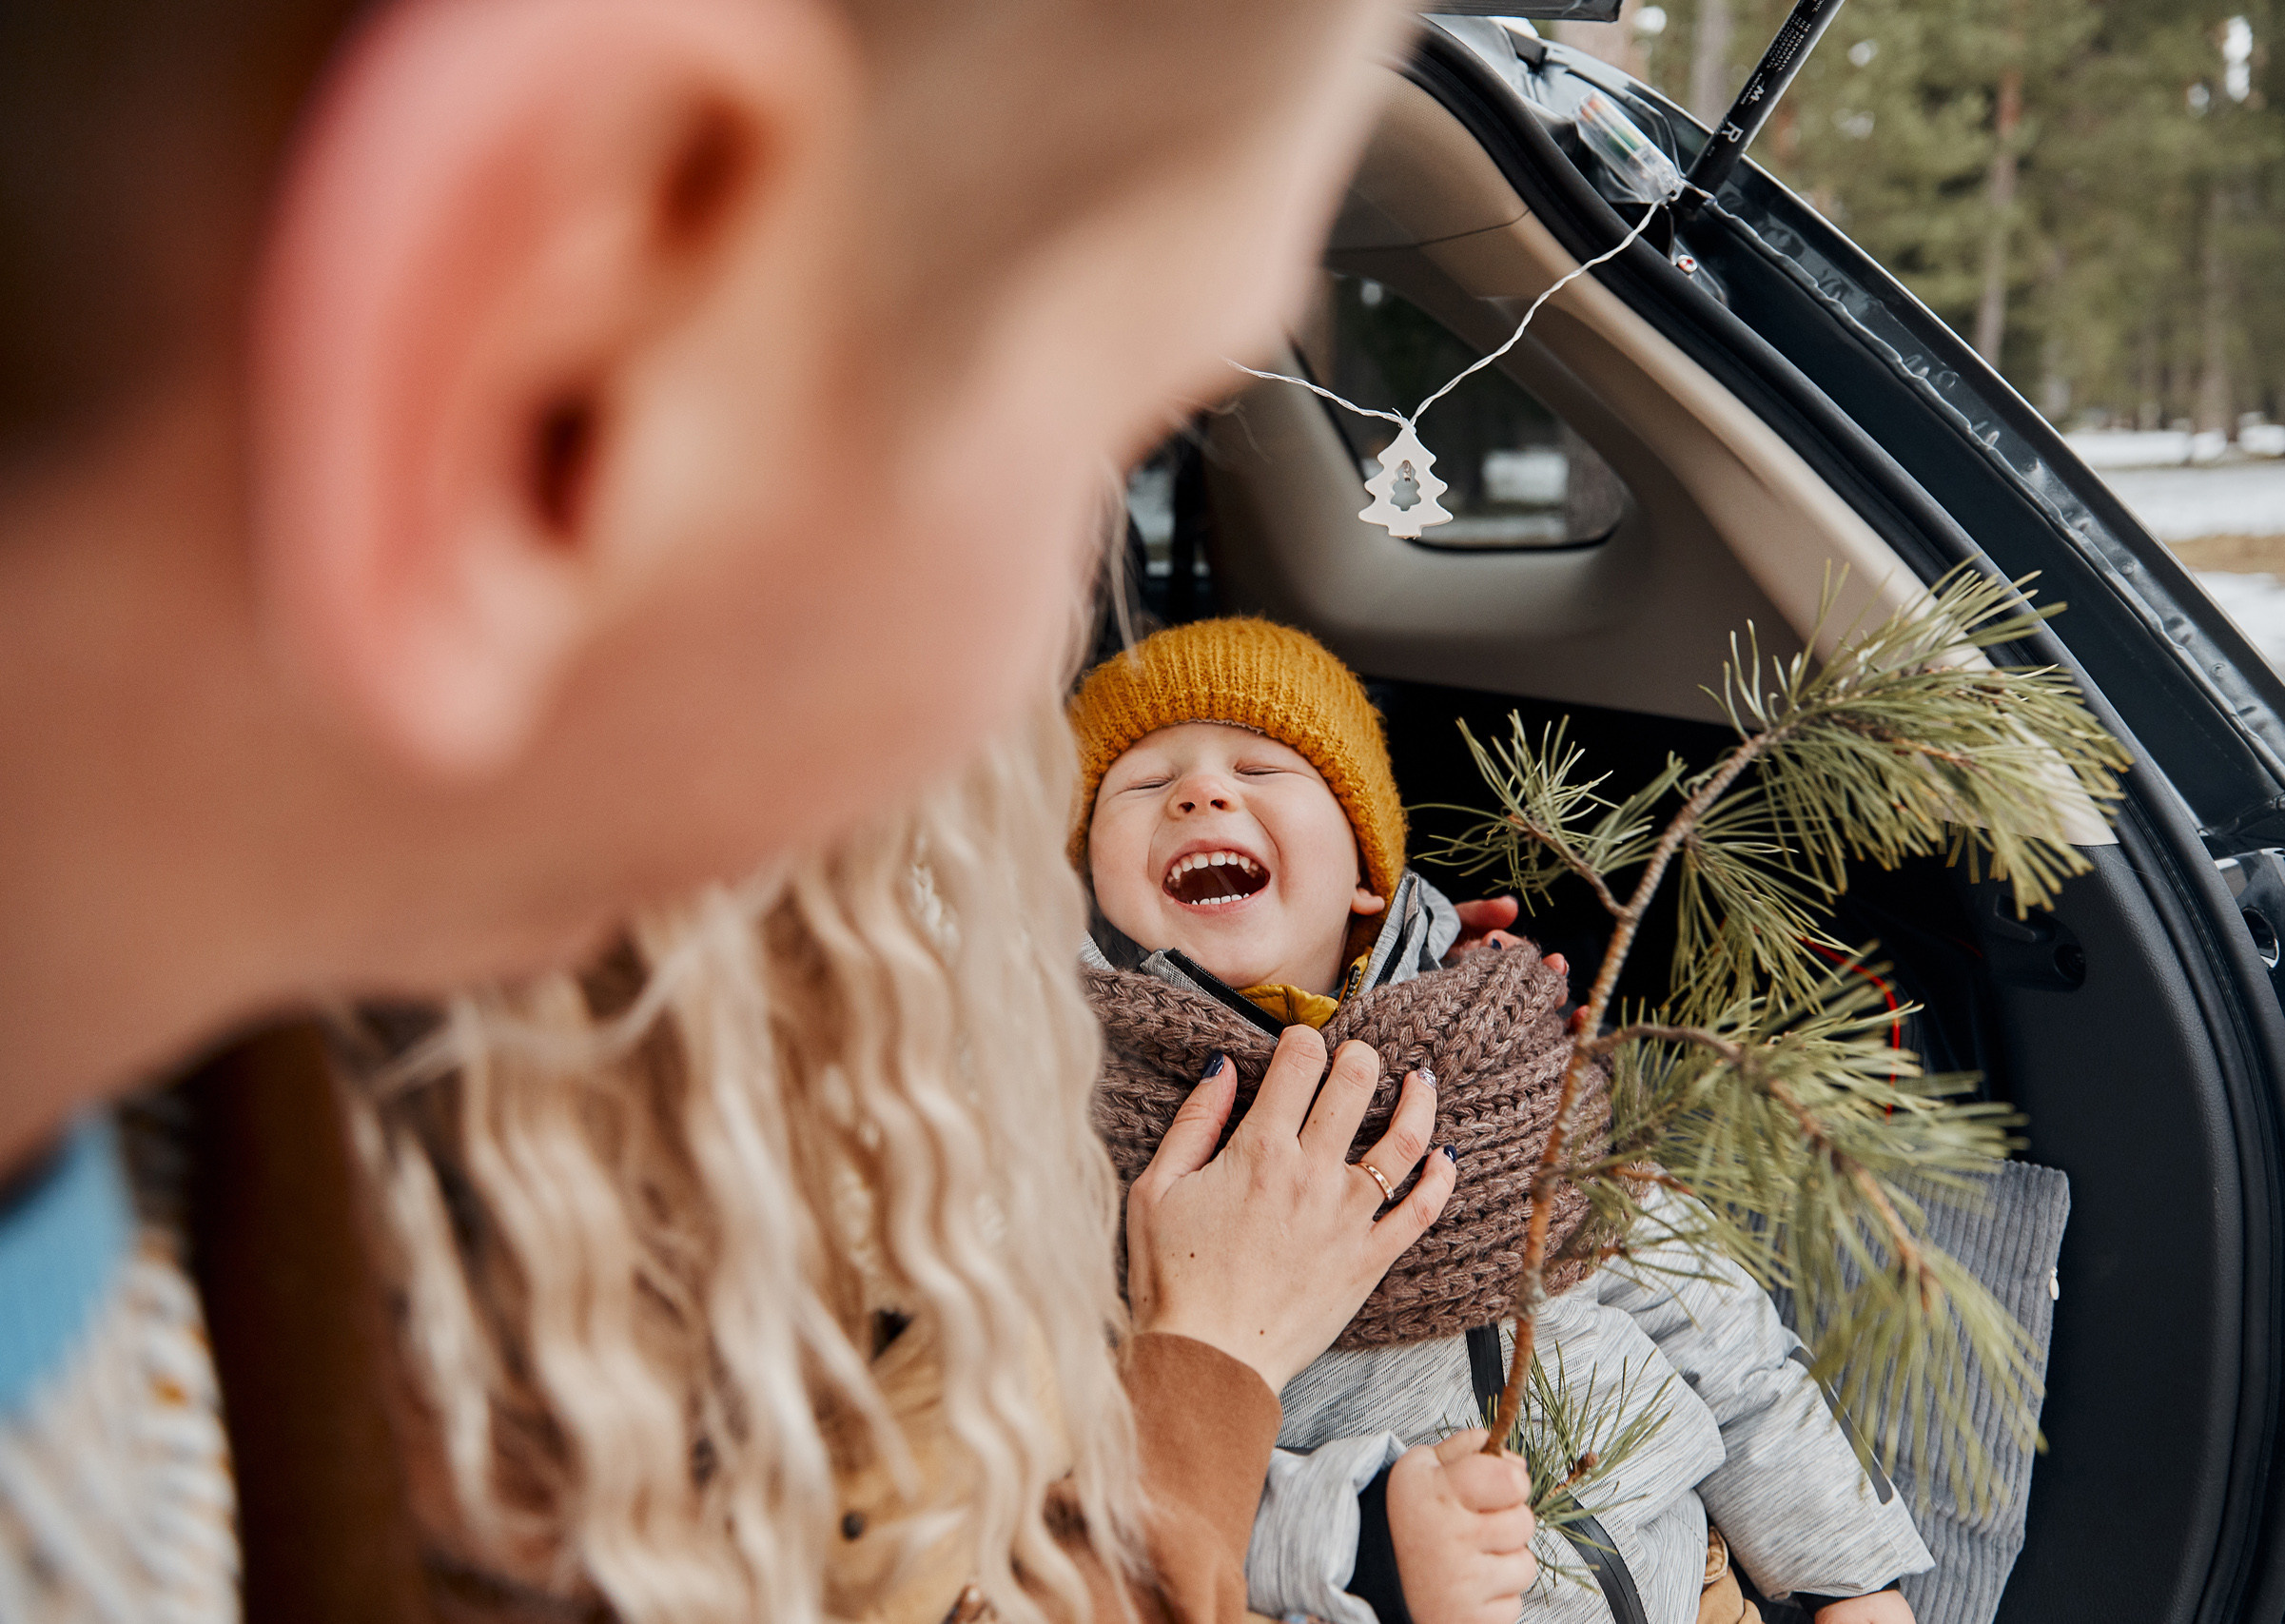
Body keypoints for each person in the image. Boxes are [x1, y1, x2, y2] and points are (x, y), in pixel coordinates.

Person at [0, 0, 1449, 1617]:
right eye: (1100, 437)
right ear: (560, 366)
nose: (1057, 639)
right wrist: (1199, 1387)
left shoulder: (244, 1151)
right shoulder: (395, 1320)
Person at [1069, 618, 1936, 1624]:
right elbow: (1108, 1461)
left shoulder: (1507, 1050)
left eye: (1263, 766)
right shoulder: (1076, 1133)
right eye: (1140, 786)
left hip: (1685, 1583)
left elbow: (1703, 1315)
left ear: (1364, 872)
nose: (1201, 794)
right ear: (1086, 892)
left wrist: (1847, 1574)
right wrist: (1357, 1541)